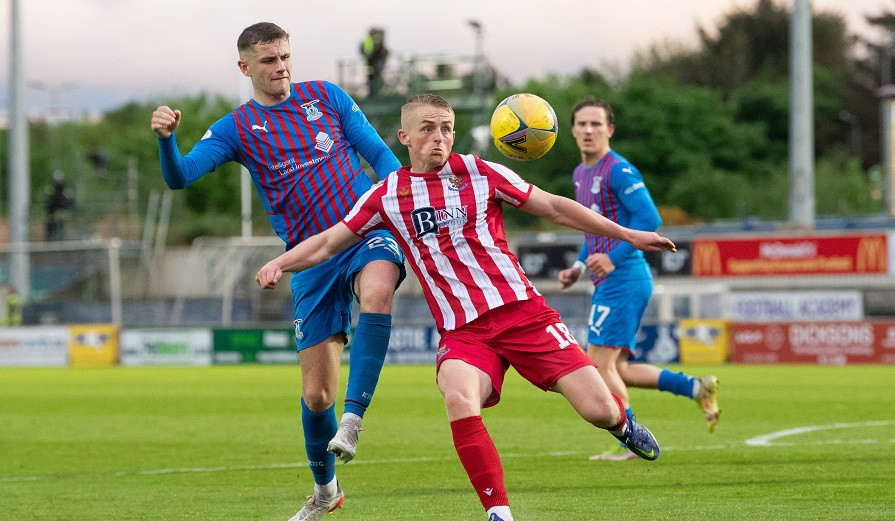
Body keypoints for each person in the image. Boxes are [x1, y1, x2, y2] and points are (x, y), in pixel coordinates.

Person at [256, 94, 676, 521]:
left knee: (599, 410)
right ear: (404, 137)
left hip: (523, 314)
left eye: (446, 129)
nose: (439, 138)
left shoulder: (480, 171)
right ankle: (498, 512)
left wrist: (629, 234)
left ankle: (621, 426)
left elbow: (552, 206)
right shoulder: (388, 195)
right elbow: (328, 241)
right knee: (458, 396)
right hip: (464, 333)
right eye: (427, 129)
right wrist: (280, 261)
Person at [149, 22, 406, 521]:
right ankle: (325, 491)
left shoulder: (327, 97)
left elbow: (379, 155)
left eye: (285, 56)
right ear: (244, 67)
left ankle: (353, 419)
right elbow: (180, 176)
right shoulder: (235, 129)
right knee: (316, 395)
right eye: (268, 61)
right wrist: (167, 140)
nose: (281, 67)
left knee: (378, 289)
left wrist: (400, 199)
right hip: (308, 258)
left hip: (362, 233)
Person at [557, 97, 720, 461]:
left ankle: (629, 441)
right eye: (582, 124)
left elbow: (649, 219)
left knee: (597, 363)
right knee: (619, 369)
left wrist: (613, 259)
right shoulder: (580, 174)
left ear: (609, 130)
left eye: (596, 124)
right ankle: (695, 387)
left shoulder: (618, 170)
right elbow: (592, 232)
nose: (588, 130)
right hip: (614, 279)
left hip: (625, 278)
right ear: (572, 130)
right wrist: (580, 268)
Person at [359, 27, 388, 97]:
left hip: (372, 64)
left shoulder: (369, 40)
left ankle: (374, 94)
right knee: (372, 80)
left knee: (373, 80)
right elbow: (368, 52)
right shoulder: (373, 40)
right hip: (371, 64)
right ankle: (373, 95)